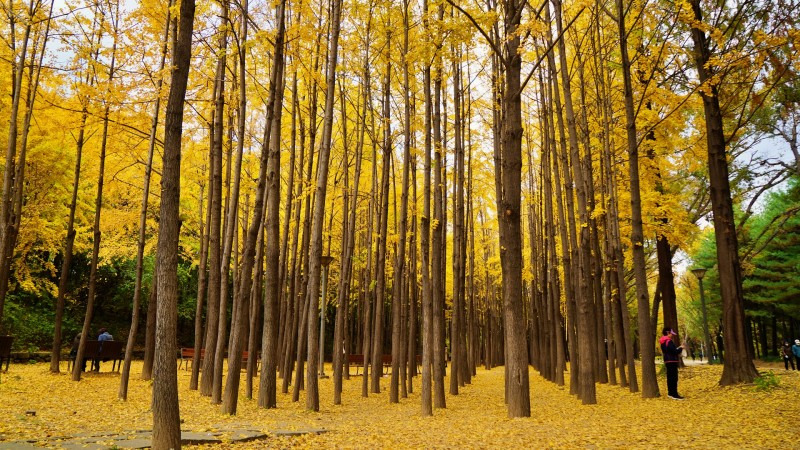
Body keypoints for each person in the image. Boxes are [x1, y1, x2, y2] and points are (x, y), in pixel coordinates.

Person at [659, 327, 684, 400]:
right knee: (674, 378)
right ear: (667, 333)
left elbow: (670, 350)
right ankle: (674, 394)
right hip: (672, 361)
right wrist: (681, 348)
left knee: (670, 377)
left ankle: (670, 393)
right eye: (671, 333)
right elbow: (674, 351)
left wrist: (678, 348)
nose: (672, 335)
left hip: (667, 361)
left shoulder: (663, 341)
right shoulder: (668, 341)